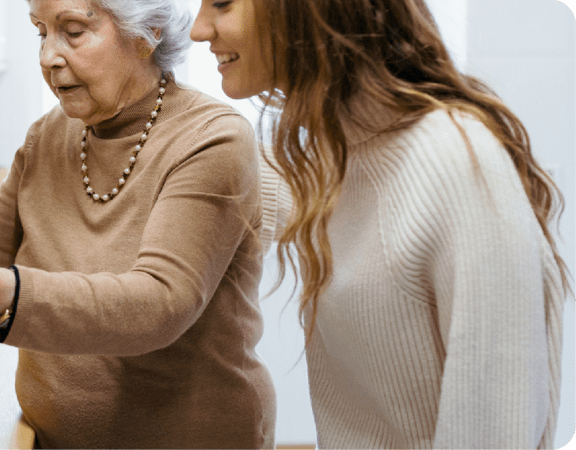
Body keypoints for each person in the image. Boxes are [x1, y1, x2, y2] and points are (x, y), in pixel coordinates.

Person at [0, 0, 277, 448]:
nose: (47, 56)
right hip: (49, 438)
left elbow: (159, 305)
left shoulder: (212, 138)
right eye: (41, 32)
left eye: (73, 31)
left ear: (147, 33)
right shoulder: (47, 136)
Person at [190, 0, 571, 448]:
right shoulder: (335, 152)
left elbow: (495, 433)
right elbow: (239, 180)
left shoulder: (458, 164)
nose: (198, 30)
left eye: (222, 3)